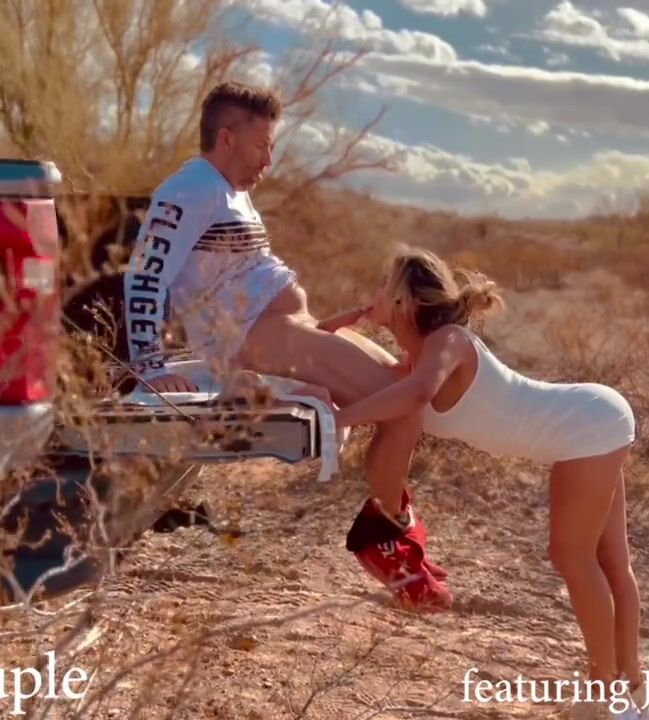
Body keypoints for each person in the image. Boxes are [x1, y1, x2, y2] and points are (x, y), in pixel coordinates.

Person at [120, 81, 452, 608]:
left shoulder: (229, 191)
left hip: (288, 330)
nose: (268, 160)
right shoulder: (188, 190)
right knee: (405, 404)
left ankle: (397, 529)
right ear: (226, 139)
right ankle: (387, 543)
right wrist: (151, 366)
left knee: (399, 379)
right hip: (258, 338)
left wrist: (319, 325)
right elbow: (143, 277)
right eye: (261, 146)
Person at [325, 247, 649, 720]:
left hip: (584, 424)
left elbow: (415, 395)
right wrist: (344, 321)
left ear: (403, 299)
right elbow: (330, 352)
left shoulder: (448, 342)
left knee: (574, 556)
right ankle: (633, 698)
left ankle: (607, 696)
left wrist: (339, 419)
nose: (372, 292)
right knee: (609, 562)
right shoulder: (418, 357)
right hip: (589, 420)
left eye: (382, 284)